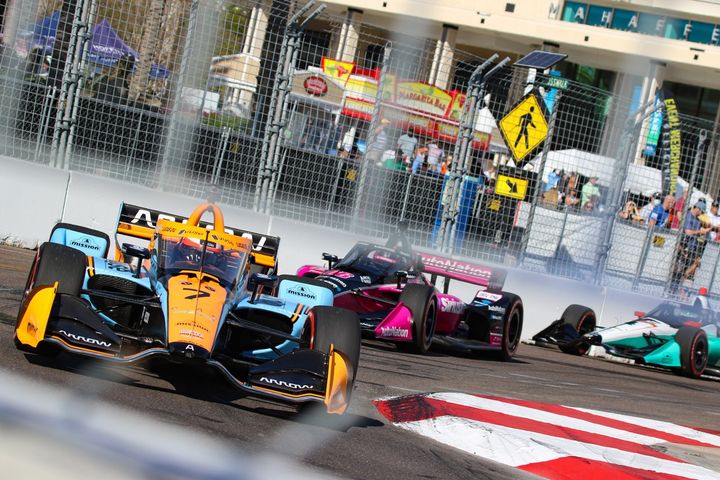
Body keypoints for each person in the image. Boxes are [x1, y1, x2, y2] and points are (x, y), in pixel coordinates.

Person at [671, 200, 711, 294]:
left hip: (691, 249)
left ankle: (676, 291)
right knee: (678, 270)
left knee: (684, 272)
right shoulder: (688, 216)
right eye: (701, 211)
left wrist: (703, 232)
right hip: (684, 247)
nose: (701, 214)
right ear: (698, 208)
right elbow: (688, 232)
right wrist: (700, 232)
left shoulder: (697, 220)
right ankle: (671, 290)